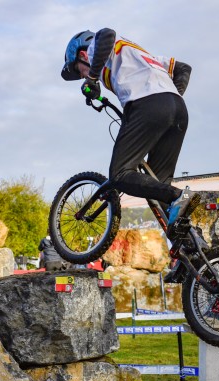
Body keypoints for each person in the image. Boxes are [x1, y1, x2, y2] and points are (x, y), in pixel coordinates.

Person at [61, 29, 198, 233]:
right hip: (178, 110)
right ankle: (193, 246)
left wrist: (92, 78)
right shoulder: (141, 56)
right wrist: (167, 103)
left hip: (149, 104)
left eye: (78, 70)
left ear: (82, 55)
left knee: (120, 173)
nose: (82, 76)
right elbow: (184, 69)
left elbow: (106, 33)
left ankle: (178, 196)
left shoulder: (96, 47)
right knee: (159, 185)